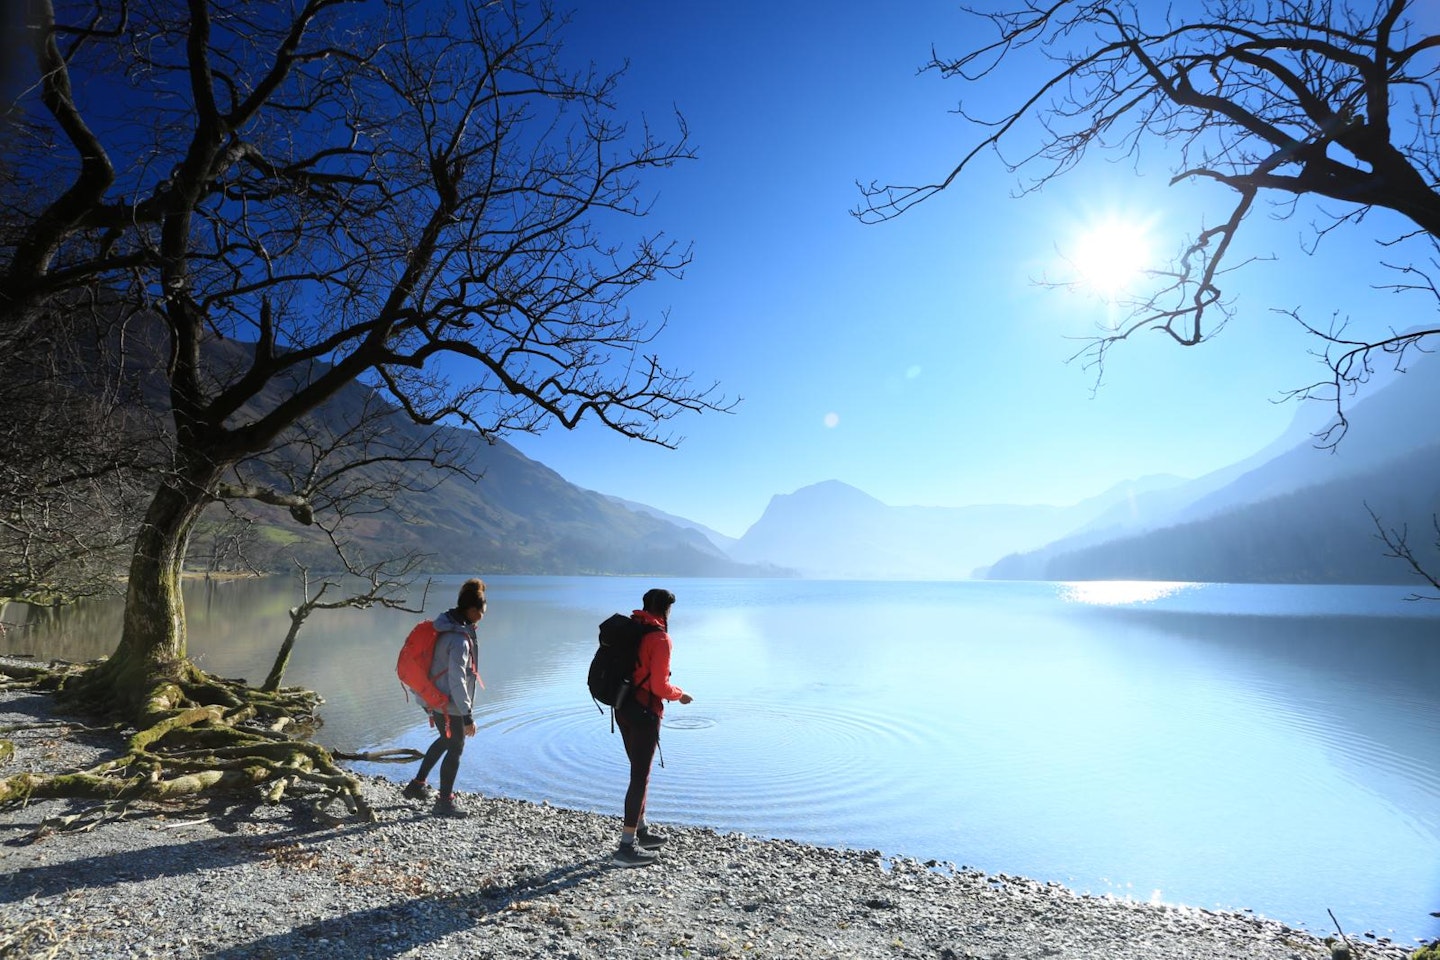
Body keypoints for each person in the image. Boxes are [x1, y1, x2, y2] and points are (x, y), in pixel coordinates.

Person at [612, 587, 693, 867]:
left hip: (621, 707)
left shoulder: (632, 628)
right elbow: (659, 685)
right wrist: (680, 694)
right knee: (639, 777)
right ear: (666, 610)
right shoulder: (659, 638)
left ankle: (642, 831)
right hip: (645, 711)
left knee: (637, 771)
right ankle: (625, 847)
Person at [402, 577, 486, 818]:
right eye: (482, 611)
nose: (483, 615)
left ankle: (417, 786)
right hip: (449, 703)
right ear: (472, 610)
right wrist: (467, 714)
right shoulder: (459, 639)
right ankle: (444, 802)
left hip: (434, 697)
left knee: (445, 740)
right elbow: (457, 679)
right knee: (456, 747)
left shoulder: (446, 626)